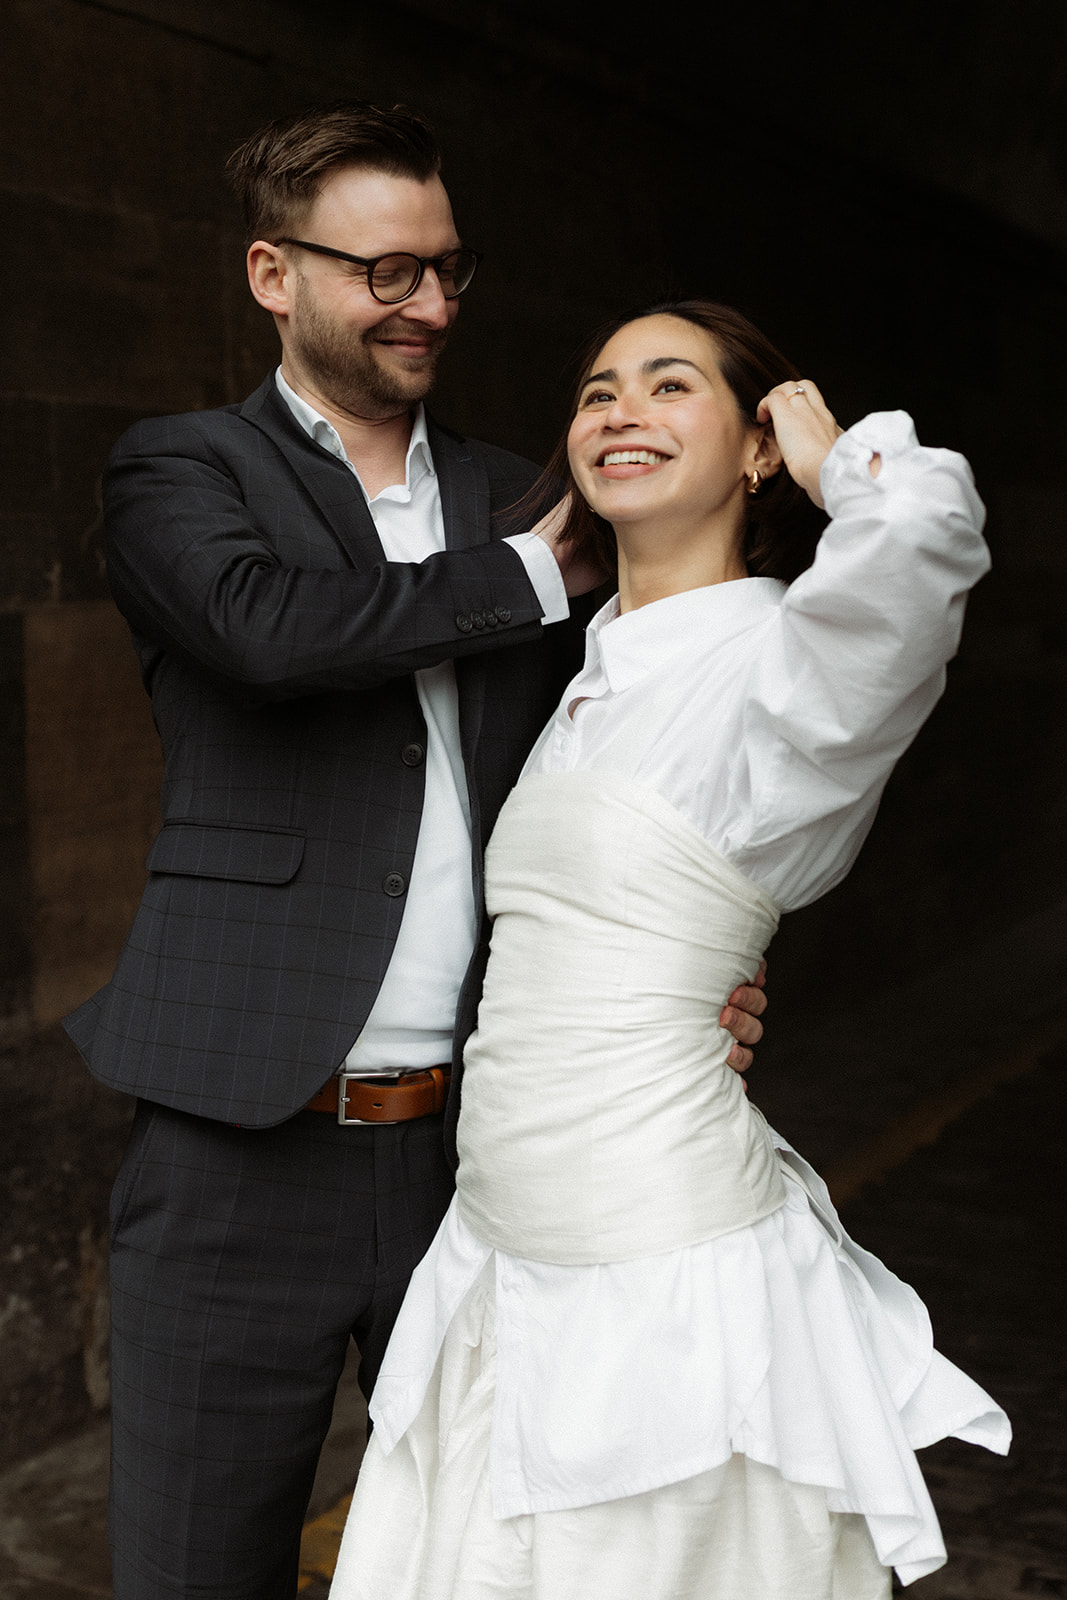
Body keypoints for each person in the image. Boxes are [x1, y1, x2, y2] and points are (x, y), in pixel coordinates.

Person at [61, 105, 766, 1598]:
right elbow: (266, 635)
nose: (432, 305)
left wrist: (709, 965)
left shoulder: (531, 489)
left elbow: (680, 741)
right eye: (388, 275)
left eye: (449, 270)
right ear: (274, 274)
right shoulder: (181, 473)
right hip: (234, 1143)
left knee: (495, 1563)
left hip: (489, 1148)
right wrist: (528, 575)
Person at [329, 301, 1012, 1600]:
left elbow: (927, 541)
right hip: (500, 1251)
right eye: (596, 391)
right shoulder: (587, 670)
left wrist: (836, 458)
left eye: (667, 385)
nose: (619, 410)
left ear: (753, 447)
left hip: (657, 1266)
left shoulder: (786, 654)